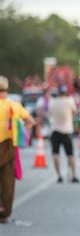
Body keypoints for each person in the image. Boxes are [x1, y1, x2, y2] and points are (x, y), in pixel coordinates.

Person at [0, 75, 35, 223]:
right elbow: (30, 121)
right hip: (10, 146)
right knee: (8, 180)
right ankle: (4, 213)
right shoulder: (14, 105)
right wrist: (22, 134)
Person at [49, 85, 79, 183]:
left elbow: (50, 114)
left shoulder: (53, 102)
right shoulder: (70, 101)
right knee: (70, 155)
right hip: (67, 131)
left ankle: (59, 176)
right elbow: (75, 112)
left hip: (55, 130)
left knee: (55, 154)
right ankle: (73, 175)